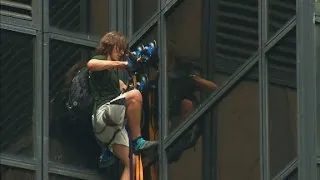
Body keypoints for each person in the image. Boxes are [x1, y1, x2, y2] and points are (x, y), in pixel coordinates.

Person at [87, 31, 158, 180]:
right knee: (135, 96)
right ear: (110, 46)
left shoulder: (114, 77)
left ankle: (108, 151)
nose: (121, 52)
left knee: (131, 163)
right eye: (119, 48)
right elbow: (91, 65)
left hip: (109, 131)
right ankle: (138, 141)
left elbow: (125, 91)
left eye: (123, 50)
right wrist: (124, 64)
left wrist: (138, 86)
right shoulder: (100, 60)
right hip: (103, 114)